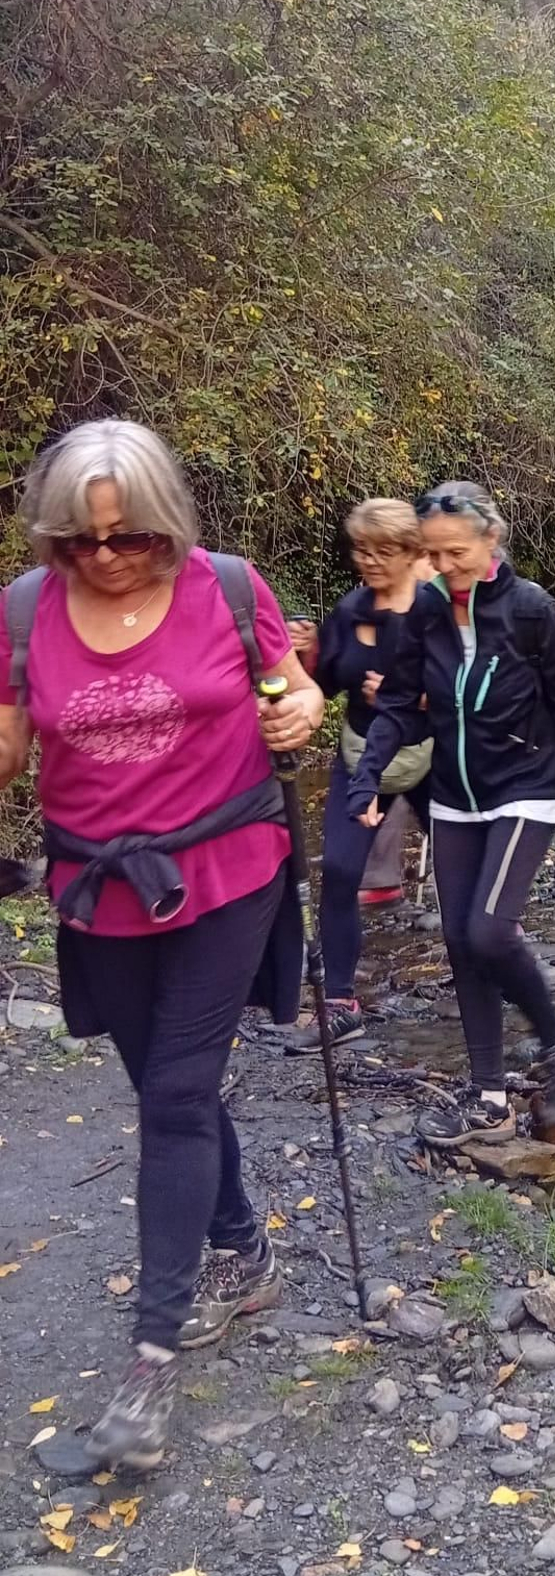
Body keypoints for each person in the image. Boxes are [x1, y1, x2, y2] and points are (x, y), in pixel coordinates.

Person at [0, 420, 324, 1470]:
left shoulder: (226, 588)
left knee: (178, 1095)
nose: (104, 556)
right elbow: (8, 744)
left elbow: (293, 685)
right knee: (162, 1085)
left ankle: (150, 1358)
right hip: (99, 886)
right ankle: (243, 1249)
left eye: (129, 535)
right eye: (80, 539)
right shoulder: (23, 610)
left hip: (228, 869)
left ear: (167, 523)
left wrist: (301, 710)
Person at [350, 482, 555, 1145]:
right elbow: (400, 702)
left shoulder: (530, 610)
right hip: (455, 793)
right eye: (432, 554)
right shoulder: (426, 610)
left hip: (527, 784)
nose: (443, 566)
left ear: (491, 540)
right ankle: (490, 1098)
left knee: (490, 931)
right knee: (461, 942)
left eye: (456, 552)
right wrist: (367, 778)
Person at [286, 499, 432, 1050]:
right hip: (360, 753)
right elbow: (324, 684)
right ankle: (340, 1003)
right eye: (362, 550)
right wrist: (307, 654)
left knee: (467, 871)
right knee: (342, 870)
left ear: (412, 553)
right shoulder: (350, 609)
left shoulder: (436, 610)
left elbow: (467, 687)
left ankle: (494, 963)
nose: (369, 561)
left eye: (383, 551)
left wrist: (410, 696)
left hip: (430, 755)